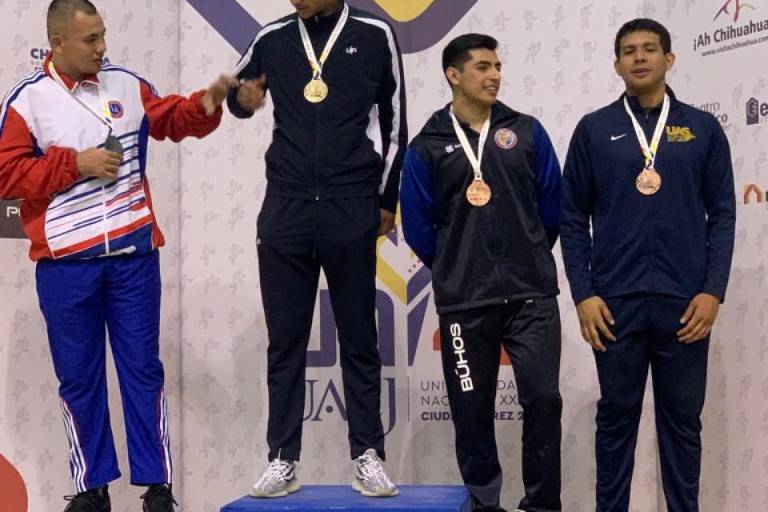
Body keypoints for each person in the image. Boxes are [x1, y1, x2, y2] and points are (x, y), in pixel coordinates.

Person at [0, 1, 235, 510]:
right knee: (79, 378)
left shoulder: (127, 84)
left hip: (133, 257)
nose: (102, 48)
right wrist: (74, 164)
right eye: (90, 40)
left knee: (142, 370)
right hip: (65, 265)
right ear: (58, 44)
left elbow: (173, 119)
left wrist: (209, 103)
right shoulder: (26, 101)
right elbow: (7, 175)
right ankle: (92, 488)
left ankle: (157, 488)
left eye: (103, 36)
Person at [226, 0, 406, 498]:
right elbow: (237, 94)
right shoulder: (272, 37)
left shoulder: (374, 34)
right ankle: (282, 458)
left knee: (359, 339)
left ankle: (367, 454)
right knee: (285, 341)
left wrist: (385, 198)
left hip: (351, 204)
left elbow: (394, 122)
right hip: (286, 206)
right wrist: (243, 100)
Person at [560, 18, 735, 512]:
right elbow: (572, 219)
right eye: (629, 51)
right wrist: (583, 293)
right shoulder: (594, 129)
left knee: (682, 423)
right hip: (614, 305)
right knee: (615, 421)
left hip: (686, 305)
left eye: (650, 49)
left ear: (669, 59)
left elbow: (723, 213)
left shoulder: (702, 128)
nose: (639, 58)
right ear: (616, 65)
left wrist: (713, 290)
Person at [400, 33, 562, 512]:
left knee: (544, 402)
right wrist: (457, 266)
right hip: (464, 305)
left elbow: (551, 208)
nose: (494, 75)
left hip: (531, 298)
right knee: (471, 413)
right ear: (454, 75)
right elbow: (418, 225)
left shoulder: (526, 132)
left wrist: (527, 252)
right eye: (482, 67)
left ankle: (542, 505)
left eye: (497, 66)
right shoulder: (426, 145)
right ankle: (485, 504)